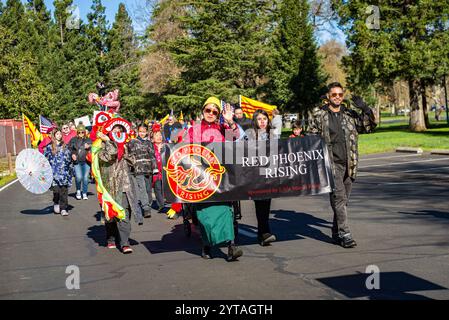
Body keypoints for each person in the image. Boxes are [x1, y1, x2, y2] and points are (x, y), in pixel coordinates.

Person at [307, 82, 376, 248]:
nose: (337, 97)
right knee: (339, 198)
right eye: (334, 95)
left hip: (350, 163)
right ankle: (345, 234)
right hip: (330, 164)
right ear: (328, 96)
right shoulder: (319, 115)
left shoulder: (349, 114)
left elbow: (369, 127)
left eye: (340, 94)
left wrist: (365, 109)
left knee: (343, 200)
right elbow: (310, 138)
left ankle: (335, 232)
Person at [181, 97, 243, 261]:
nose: (211, 113)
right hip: (201, 178)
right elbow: (183, 150)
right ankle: (207, 244)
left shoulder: (223, 128)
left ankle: (231, 246)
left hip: (221, 177)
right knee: (205, 215)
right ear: (203, 111)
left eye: (214, 111)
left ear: (218, 114)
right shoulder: (194, 129)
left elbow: (236, 140)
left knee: (226, 211)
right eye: (208, 110)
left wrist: (230, 122)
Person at [97, 124, 140, 254]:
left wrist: (128, 155)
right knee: (110, 216)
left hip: (124, 186)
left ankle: (124, 243)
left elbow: (135, 163)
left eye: (120, 130)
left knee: (124, 213)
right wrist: (108, 141)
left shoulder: (126, 145)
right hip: (109, 186)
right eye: (115, 129)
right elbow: (110, 155)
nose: (118, 132)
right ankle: (111, 238)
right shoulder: (100, 146)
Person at [245, 109, 279, 246]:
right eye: (259, 119)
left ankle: (263, 233)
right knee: (261, 203)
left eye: (264, 119)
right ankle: (264, 233)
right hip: (255, 175)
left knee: (266, 203)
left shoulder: (272, 134)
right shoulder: (250, 135)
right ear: (255, 121)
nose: (262, 121)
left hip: (269, 174)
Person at [127, 126, 158, 219]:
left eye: (143, 132)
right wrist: (131, 166)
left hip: (148, 169)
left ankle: (148, 203)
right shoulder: (133, 142)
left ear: (146, 132)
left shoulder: (149, 143)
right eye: (140, 131)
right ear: (137, 132)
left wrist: (155, 167)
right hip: (138, 168)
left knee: (148, 189)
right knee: (142, 189)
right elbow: (130, 154)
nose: (142, 133)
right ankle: (146, 208)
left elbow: (152, 155)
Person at [43, 128, 74, 217]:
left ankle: (63, 208)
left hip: (64, 173)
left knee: (64, 191)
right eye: (57, 134)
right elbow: (44, 160)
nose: (59, 135)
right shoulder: (49, 147)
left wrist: (71, 168)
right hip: (54, 174)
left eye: (60, 134)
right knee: (56, 191)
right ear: (54, 135)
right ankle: (56, 202)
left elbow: (69, 159)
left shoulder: (66, 146)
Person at [69, 124, 92, 200]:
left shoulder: (88, 139)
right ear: (77, 132)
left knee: (85, 178)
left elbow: (94, 148)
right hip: (77, 162)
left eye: (82, 132)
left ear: (85, 132)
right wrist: (72, 154)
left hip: (86, 161)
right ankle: (78, 190)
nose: (81, 134)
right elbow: (69, 149)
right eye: (79, 132)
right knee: (78, 177)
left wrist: (89, 147)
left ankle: (84, 192)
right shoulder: (73, 140)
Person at [151, 126, 165, 212]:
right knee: (157, 188)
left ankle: (164, 201)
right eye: (156, 135)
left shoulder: (166, 146)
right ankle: (161, 205)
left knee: (164, 189)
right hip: (156, 172)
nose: (159, 137)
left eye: (160, 135)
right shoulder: (151, 147)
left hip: (165, 171)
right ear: (152, 138)